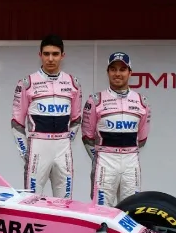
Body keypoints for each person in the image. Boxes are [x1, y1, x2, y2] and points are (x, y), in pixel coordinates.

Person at [11, 35, 83, 198]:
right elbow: (17, 123)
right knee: (32, 200)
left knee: (65, 201)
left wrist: (66, 140)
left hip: (62, 147)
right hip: (38, 146)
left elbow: (76, 119)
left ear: (62, 56)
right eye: (46, 54)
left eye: (55, 54)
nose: (51, 59)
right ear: (40, 55)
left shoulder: (73, 83)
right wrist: (25, 152)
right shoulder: (27, 83)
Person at [81, 51, 151, 207]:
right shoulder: (95, 100)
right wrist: (98, 157)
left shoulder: (142, 102)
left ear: (130, 72)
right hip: (105, 161)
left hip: (131, 162)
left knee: (132, 209)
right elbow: (87, 136)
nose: (117, 74)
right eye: (113, 69)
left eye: (122, 69)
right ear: (107, 72)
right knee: (101, 210)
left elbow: (142, 138)